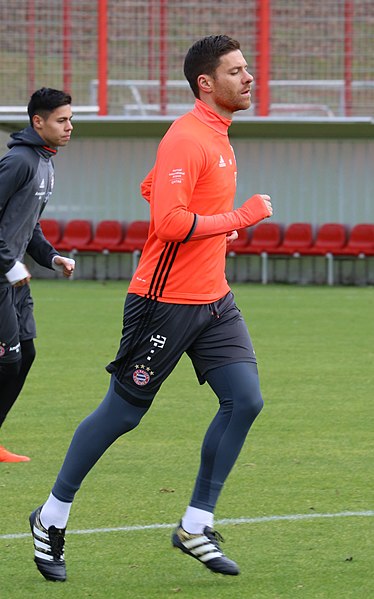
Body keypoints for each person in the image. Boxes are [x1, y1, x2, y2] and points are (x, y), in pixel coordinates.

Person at [29, 35, 273, 582]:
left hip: (214, 300)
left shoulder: (218, 135)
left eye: (247, 68)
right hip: (162, 303)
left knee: (246, 399)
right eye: (236, 71)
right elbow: (168, 223)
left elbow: (154, 190)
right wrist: (241, 217)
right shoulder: (188, 136)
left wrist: (210, 224)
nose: (248, 77)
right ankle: (50, 517)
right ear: (206, 84)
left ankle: (194, 524)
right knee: (123, 413)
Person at [0, 88, 75, 463]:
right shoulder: (19, 162)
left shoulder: (46, 162)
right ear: (38, 122)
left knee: (25, 354)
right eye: (61, 120)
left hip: (15, 280)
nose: (69, 127)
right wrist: (8, 262)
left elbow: (27, 225)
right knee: (7, 360)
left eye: (70, 119)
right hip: (3, 277)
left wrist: (51, 256)